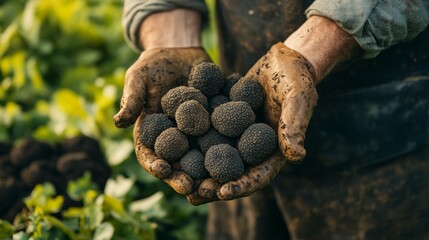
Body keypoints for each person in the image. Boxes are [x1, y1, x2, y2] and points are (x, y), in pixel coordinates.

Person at [114, 1, 429, 239]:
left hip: (385, 133)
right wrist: (171, 36)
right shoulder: (217, 131)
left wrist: (315, 47)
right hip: (258, 93)